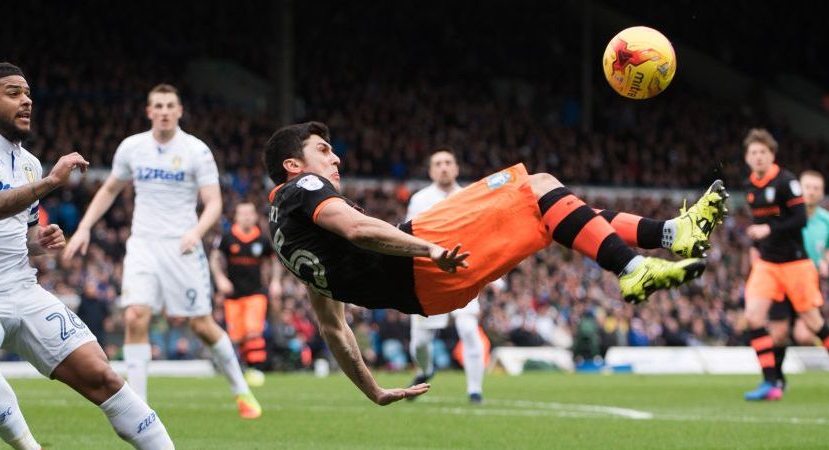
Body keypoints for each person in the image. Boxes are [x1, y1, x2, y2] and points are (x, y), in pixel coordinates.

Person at [263, 121, 727, 405]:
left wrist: (374, 391)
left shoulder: (285, 236)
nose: (335, 156)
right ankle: (634, 268)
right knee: (538, 185)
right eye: (323, 149)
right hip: (427, 255)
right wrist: (430, 250)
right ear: (292, 165)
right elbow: (358, 228)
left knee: (549, 214)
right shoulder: (302, 189)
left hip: (429, 293)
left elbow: (333, 328)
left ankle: (670, 234)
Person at [0, 62, 173, 449]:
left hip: (24, 293)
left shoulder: (28, 163)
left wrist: (38, 242)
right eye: (13, 93)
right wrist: (51, 183)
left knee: (104, 378)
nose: (27, 100)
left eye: (28, 94)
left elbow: (18, 233)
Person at [63, 84, 261, 419]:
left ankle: (241, 390)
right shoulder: (132, 147)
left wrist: (196, 232)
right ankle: (138, 407)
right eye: (159, 105)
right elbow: (110, 188)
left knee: (201, 325)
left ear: (180, 111)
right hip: (142, 244)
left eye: (171, 105)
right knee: (135, 315)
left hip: (182, 247)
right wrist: (83, 227)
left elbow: (214, 203)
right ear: (149, 111)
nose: (165, 111)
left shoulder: (196, 151)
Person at [740, 129, 829, 403]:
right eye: (753, 153)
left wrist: (766, 230)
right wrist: (757, 246)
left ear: (772, 155)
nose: (758, 157)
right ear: (747, 158)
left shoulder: (786, 182)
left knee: (814, 324)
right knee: (754, 318)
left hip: (796, 264)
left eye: (763, 152)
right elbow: (762, 228)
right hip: (768, 264)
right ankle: (771, 382)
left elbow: (799, 221)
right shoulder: (750, 187)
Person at [404, 148, 488, 404]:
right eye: (438, 163)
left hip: (464, 272)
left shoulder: (470, 196)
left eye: (448, 162)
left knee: (468, 328)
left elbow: (482, 235)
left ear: (456, 168)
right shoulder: (420, 199)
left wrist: (492, 274)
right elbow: (409, 236)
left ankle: (475, 390)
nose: (443, 167)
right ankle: (425, 369)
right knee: (420, 342)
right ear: (431, 171)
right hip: (431, 275)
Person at [765, 170, 829, 393]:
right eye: (807, 187)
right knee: (778, 334)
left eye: (816, 188)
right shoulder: (786, 214)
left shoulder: (827, 220)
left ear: (822, 193)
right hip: (783, 277)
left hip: (808, 281)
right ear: (798, 189)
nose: (811, 192)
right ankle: (777, 378)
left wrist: (826, 262)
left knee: (804, 335)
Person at [211, 201, 283, 382]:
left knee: (253, 330)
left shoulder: (262, 239)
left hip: (256, 293)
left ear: (255, 216)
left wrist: (275, 282)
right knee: (238, 335)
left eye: (250, 213)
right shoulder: (227, 237)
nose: (247, 217)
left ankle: (256, 369)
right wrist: (220, 279)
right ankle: (246, 367)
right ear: (236, 216)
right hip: (233, 295)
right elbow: (214, 259)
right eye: (243, 214)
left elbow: (275, 261)